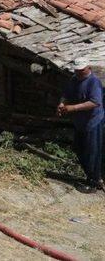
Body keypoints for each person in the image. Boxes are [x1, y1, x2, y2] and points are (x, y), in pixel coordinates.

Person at [57, 58, 104, 193]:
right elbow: (65, 94)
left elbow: (95, 102)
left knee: (92, 153)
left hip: (92, 122)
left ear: (88, 68)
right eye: (77, 70)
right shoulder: (74, 79)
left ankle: (94, 182)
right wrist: (62, 103)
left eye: (81, 70)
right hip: (80, 122)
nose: (79, 73)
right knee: (79, 149)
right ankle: (89, 177)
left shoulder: (93, 82)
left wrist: (73, 108)